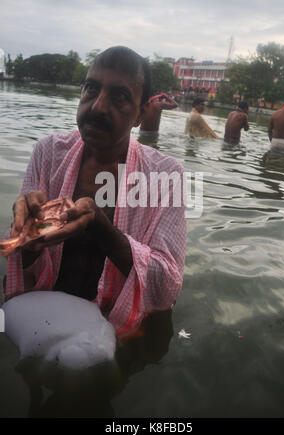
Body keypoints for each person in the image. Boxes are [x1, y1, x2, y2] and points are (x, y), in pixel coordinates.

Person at [4, 46, 186, 338]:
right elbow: (16, 257)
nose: (98, 106)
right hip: (40, 315)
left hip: (116, 330)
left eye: (119, 96)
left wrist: (100, 228)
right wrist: (28, 234)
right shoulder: (48, 153)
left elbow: (167, 288)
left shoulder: (167, 175)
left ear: (140, 115)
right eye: (91, 89)